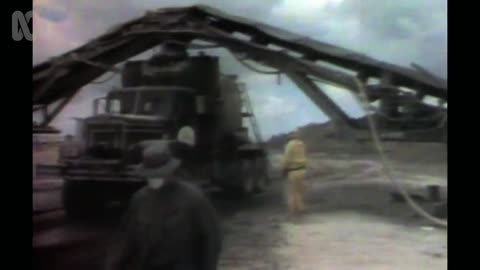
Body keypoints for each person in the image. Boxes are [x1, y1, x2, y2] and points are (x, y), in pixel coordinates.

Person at [105, 141, 222, 270]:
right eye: (150, 176)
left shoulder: (194, 199)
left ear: (170, 173)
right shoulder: (140, 199)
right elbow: (126, 239)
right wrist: (113, 265)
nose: (154, 180)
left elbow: (211, 240)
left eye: (159, 175)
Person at [280, 130, 308, 216]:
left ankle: (292, 212)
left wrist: (282, 170)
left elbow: (286, 159)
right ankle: (301, 208)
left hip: (293, 171)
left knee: (292, 193)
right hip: (302, 170)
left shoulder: (289, 145)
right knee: (299, 191)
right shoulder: (301, 144)